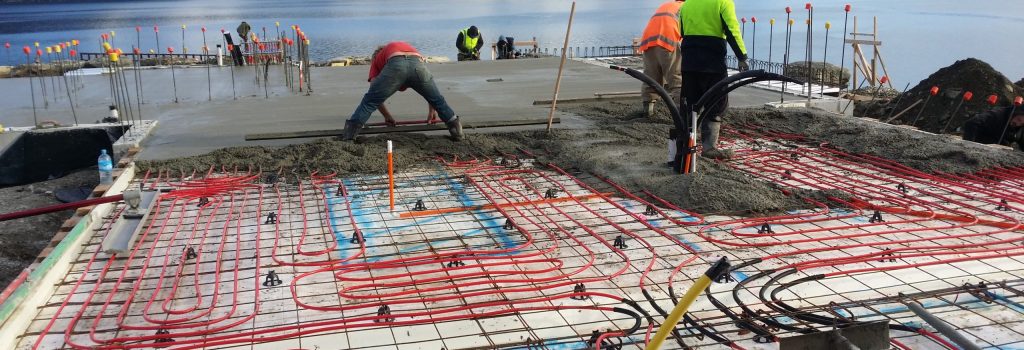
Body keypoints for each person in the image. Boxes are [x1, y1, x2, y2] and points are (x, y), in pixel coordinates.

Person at [341, 42, 464, 141]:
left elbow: (374, 95)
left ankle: (349, 135)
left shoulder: (377, 59)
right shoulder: (400, 47)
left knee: (369, 101)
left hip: (397, 66)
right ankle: (457, 130)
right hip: (418, 64)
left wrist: (387, 116)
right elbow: (430, 92)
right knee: (437, 99)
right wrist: (432, 111)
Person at [679, 0, 748, 160]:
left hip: (689, 62)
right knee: (716, 103)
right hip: (712, 63)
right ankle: (709, 147)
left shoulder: (687, 3)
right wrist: (742, 56)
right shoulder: (722, 2)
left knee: (690, 104)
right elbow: (732, 30)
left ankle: (686, 142)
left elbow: (681, 31)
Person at [639, 0, 684, 118]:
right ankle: (682, 114)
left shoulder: (667, 5)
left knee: (651, 78)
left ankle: (647, 111)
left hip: (648, 41)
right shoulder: (686, 7)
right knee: (676, 78)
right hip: (668, 40)